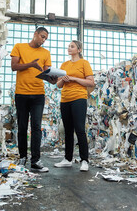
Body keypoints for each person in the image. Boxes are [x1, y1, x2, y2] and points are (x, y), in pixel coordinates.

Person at [10, 27, 57, 172]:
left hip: (38, 94)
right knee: (22, 126)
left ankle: (35, 160)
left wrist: (53, 80)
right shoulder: (19, 47)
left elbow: (47, 74)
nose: (43, 40)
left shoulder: (45, 53)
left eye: (45, 39)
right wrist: (31, 64)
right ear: (35, 34)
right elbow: (14, 66)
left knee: (36, 127)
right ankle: (22, 157)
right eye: (42, 36)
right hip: (21, 93)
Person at [54, 40, 95, 172]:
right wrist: (64, 80)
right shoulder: (64, 64)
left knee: (80, 129)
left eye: (72, 46)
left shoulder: (84, 63)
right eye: (68, 46)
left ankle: (84, 160)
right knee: (68, 130)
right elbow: (58, 85)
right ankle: (67, 159)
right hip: (65, 99)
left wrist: (74, 79)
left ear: (79, 49)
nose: (69, 48)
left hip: (79, 98)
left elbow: (90, 82)